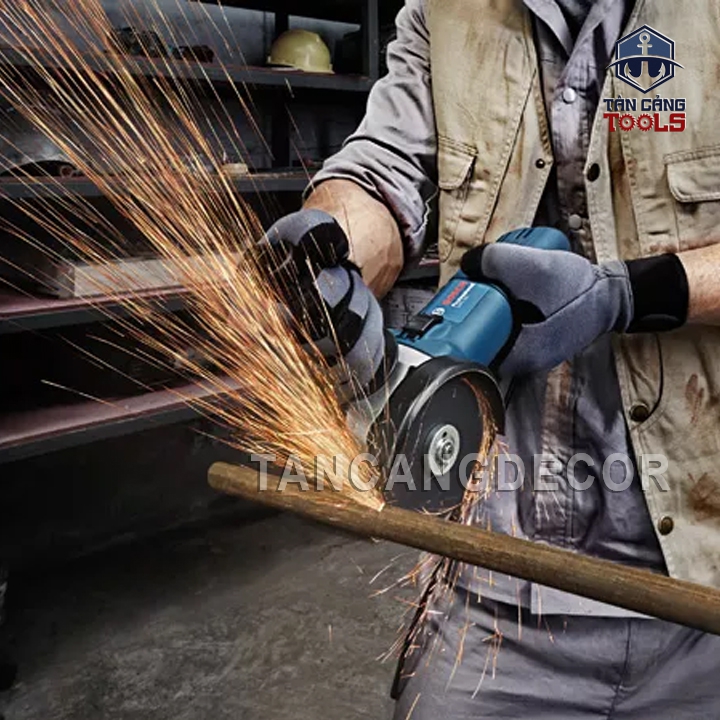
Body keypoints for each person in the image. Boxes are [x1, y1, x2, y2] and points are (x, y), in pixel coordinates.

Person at [267, 1, 720, 717]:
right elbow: (380, 173)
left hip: (703, 576)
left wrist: (633, 294)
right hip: (492, 576)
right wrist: (331, 254)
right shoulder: (444, 13)